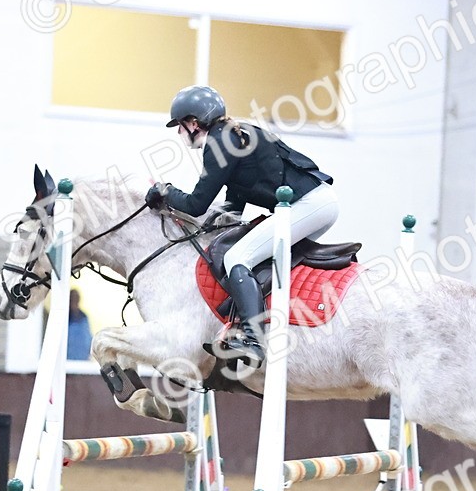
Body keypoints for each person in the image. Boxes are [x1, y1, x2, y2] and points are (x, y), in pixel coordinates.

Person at [145, 85, 338, 366]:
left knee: (238, 257)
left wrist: (166, 191)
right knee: (251, 253)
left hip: (308, 205)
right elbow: (233, 205)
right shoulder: (233, 136)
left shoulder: (220, 143)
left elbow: (197, 204)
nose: (179, 132)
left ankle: (253, 337)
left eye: (180, 125)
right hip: (315, 203)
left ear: (194, 123)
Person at [66, 289, 93, 360]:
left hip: (83, 362)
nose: (74, 302)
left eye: (76, 299)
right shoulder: (64, 319)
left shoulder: (84, 318)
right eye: (72, 299)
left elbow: (88, 338)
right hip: (67, 362)